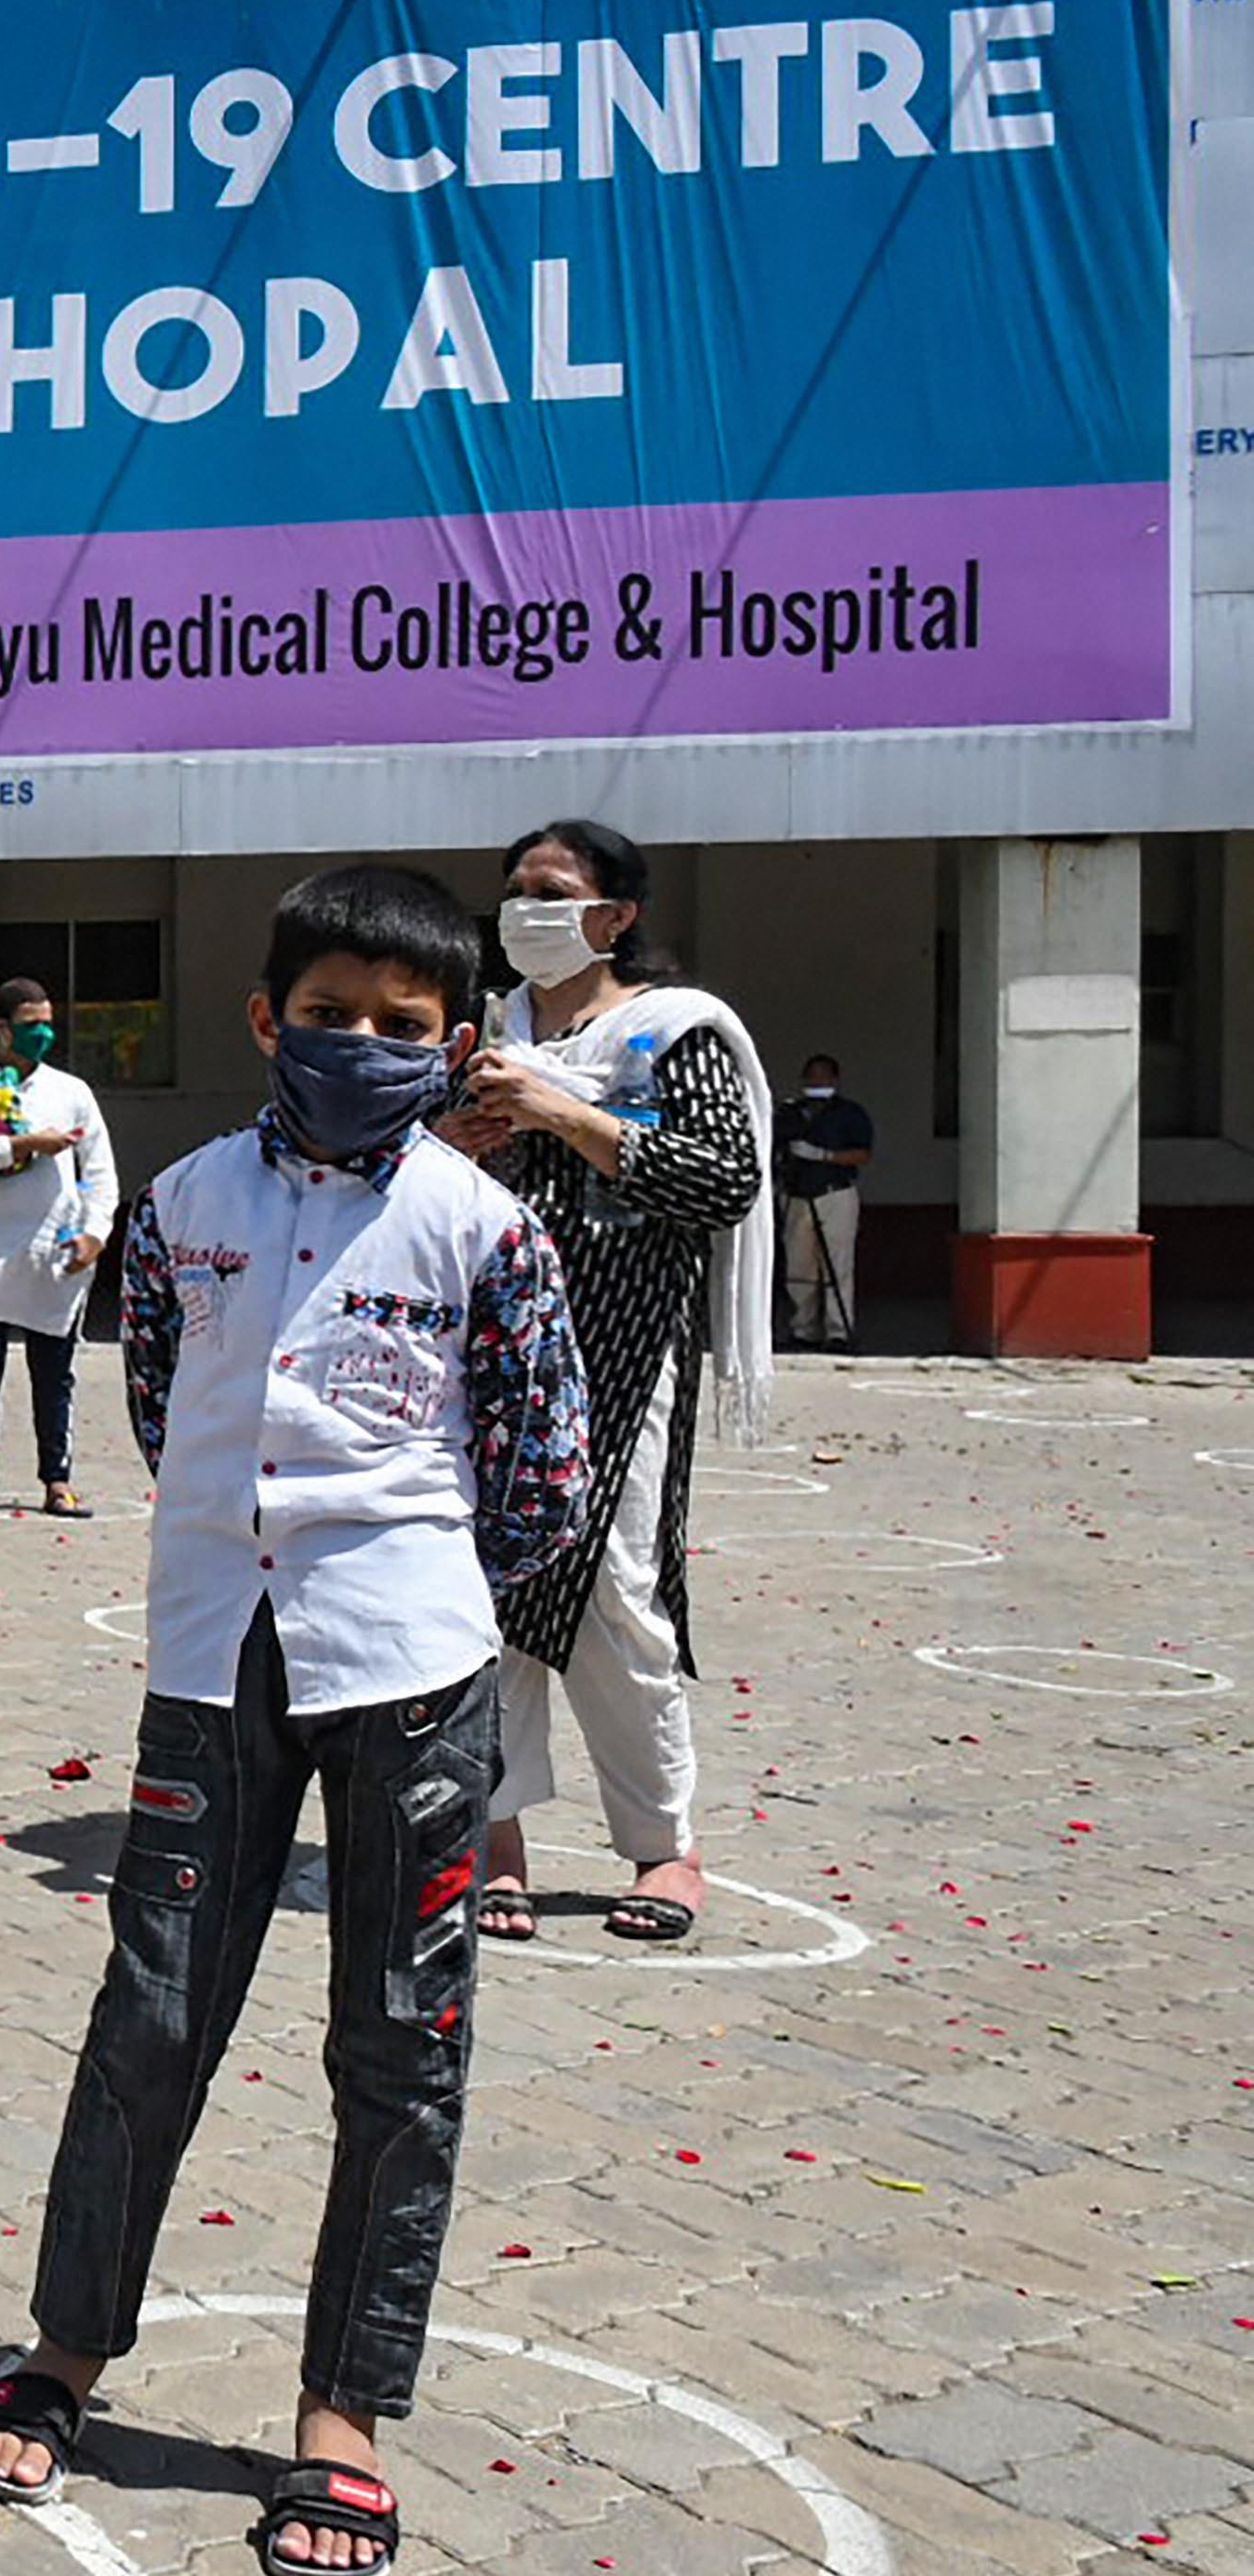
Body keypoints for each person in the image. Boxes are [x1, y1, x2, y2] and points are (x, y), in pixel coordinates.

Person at [0, 863, 589, 2576]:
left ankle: (345, 2417)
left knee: (401, 2040)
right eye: (328, 1016)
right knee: (151, 2011)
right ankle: (69, 2351)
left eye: (402, 1028)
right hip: (210, 1661)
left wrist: (413, 1588)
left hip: (414, 1677)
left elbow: (543, 1477)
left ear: (456, 1044)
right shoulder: (177, 1206)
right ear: (266, 1018)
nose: (361, 1048)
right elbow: (164, 1401)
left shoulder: (485, 1227)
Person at [446, 820, 770, 1946]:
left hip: (624, 1353)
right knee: (483, 1602)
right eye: (514, 888)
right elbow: (408, 1163)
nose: (525, 907)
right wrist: (464, 1131)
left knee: (618, 1597)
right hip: (487, 1353)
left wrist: (564, 1113)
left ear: (616, 915)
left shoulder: (673, 1035)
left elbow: (723, 1178)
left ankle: (663, 1844)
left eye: (552, 890)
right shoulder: (479, 1029)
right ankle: (495, 1841)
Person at [0, 976, 121, 1518]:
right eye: (32, 1024)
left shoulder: (72, 1093)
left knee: (55, 1373)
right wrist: (20, 1145)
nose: (44, 1033)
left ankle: (57, 1481)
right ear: (2, 1027)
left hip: (52, 1251)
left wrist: (95, 1233)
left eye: (47, 1023)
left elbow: (100, 1172)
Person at [775, 1054, 875, 1351]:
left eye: (824, 1077)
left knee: (837, 1264)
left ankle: (838, 1330)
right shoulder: (791, 1112)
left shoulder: (849, 1114)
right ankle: (803, 1328)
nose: (817, 1082)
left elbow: (862, 1154)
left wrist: (823, 1155)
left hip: (835, 1193)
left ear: (835, 1080)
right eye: (812, 1077)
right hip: (796, 1194)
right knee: (799, 1266)